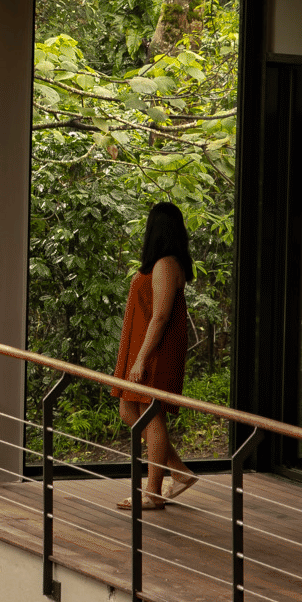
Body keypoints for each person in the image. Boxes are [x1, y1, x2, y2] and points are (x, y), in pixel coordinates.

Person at [112, 202, 197, 510]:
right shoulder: (162, 263)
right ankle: (179, 473)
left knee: (151, 414)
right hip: (142, 347)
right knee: (129, 410)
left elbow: (160, 316)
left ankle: (153, 492)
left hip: (155, 351)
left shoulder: (165, 264)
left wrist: (141, 359)